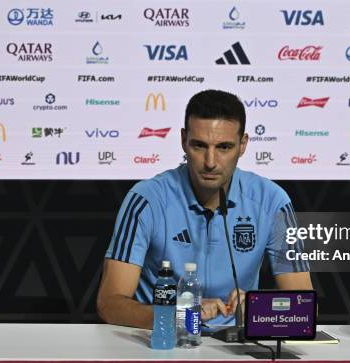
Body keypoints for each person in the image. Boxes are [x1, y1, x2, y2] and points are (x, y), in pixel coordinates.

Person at [97, 89, 312, 329]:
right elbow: (110, 304)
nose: (210, 162)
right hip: (163, 341)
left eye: (224, 147)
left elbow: (305, 307)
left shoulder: (273, 202)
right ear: (183, 140)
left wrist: (258, 307)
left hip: (238, 346)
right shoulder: (145, 200)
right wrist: (178, 316)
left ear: (243, 145)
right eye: (199, 146)